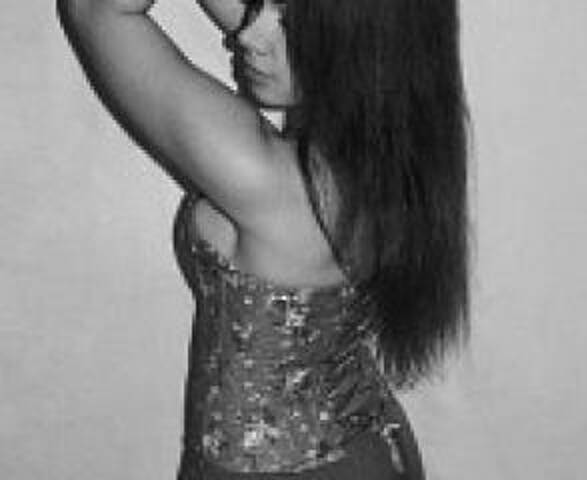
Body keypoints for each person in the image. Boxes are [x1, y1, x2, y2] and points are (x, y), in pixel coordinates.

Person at [57, 0, 470, 479]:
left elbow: (95, 10)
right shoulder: (387, 143)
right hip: (365, 445)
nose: (246, 35)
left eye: (288, 23)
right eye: (259, 5)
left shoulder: (273, 186)